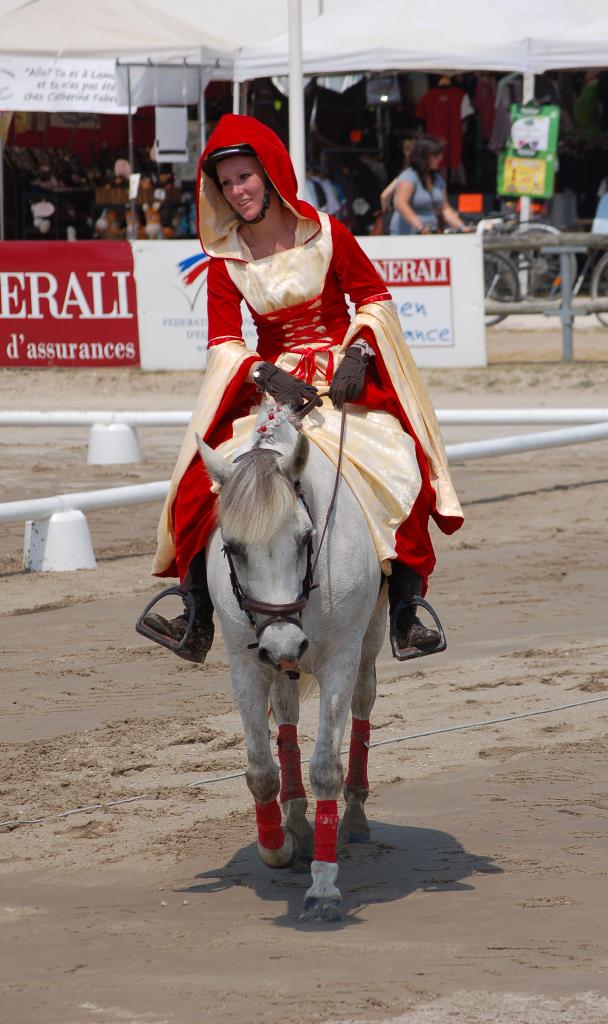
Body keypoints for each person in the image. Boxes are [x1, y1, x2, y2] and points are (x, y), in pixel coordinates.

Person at [140, 114, 463, 664]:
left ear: (269, 174)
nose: (237, 191)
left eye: (244, 177)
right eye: (226, 183)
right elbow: (222, 341)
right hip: (276, 385)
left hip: (342, 381)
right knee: (200, 482)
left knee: (397, 462)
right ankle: (195, 611)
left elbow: (375, 298)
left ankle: (406, 611)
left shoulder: (328, 233)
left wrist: (360, 351)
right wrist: (264, 373)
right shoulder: (225, 261)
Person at [389, 137, 470, 235]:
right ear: (424, 157)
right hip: (407, 234)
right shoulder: (408, 177)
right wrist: (421, 227)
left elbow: (445, 208)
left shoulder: (437, 178)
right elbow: (401, 205)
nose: (440, 158)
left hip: (430, 233)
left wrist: (462, 227)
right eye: (436, 155)